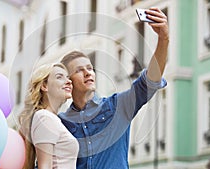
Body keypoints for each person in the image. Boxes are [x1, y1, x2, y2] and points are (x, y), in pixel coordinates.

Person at [58, 7, 169, 169]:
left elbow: (150, 81)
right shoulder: (61, 123)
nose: (88, 73)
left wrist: (164, 39)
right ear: (68, 81)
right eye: (79, 70)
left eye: (89, 68)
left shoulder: (118, 106)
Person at [18, 63, 79, 169]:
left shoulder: (50, 119)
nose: (69, 81)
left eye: (68, 78)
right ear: (44, 86)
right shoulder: (44, 118)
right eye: (59, 77)